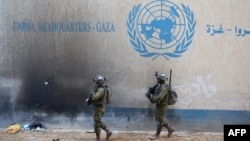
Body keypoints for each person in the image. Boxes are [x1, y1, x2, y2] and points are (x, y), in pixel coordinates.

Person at [145, 71, 175, 140]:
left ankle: (157, 134)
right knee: (159, 118)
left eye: (158, 78)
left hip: (162, 105)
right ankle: (170, 129)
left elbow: (159, 97)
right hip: (160, 104)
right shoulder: (160, 86)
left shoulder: (163, 88)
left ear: (161, 80)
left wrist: (151, 97)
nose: (157, 79)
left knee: (159, 119)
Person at [85, 75, 112, 141]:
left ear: (99, 83)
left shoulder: (101, 90)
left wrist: (93, 93)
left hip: (99, 108)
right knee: (97, 121)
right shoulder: (102, 88)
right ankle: (108, 132)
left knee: (97, 121)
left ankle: (98, 138)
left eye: (96, 82)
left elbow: (95, 97)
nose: (96, 83)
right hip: (100, 107)